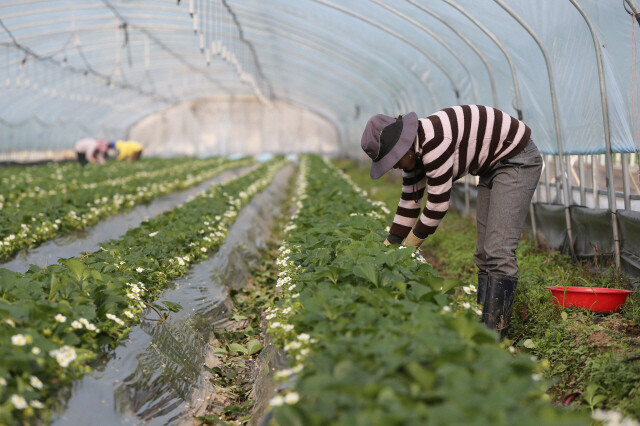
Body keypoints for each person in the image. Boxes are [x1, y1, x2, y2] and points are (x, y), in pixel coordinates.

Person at [361, 105, 543, 338]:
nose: (394, 167)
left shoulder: (434, 142)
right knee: (483, 253)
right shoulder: (413, 154)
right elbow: (410, 202)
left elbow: (437, 205)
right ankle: (484, 329)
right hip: (491, 166)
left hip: (517, 159)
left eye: (392, 161)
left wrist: (411, 245)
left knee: (498, 250)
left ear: (402, 149)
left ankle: (496, 337)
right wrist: (390, 246)